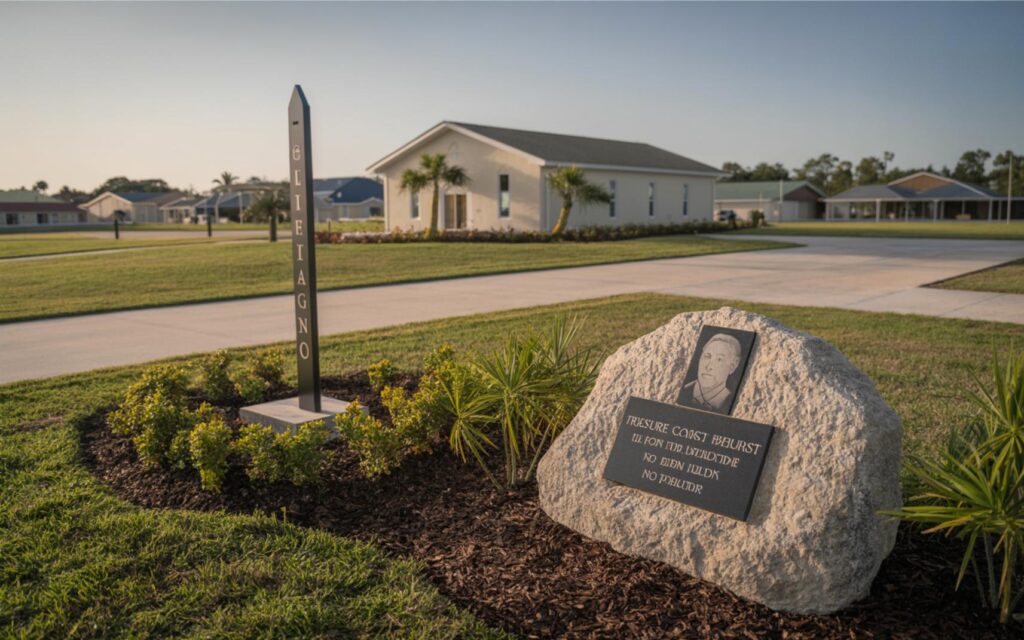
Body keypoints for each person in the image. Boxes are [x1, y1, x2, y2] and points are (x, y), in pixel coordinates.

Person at [682, 333, 742, 412]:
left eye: (719, 359)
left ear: (732, 367)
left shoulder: (730, 400)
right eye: (707, 356)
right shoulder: (684, 390)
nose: (709, 366)